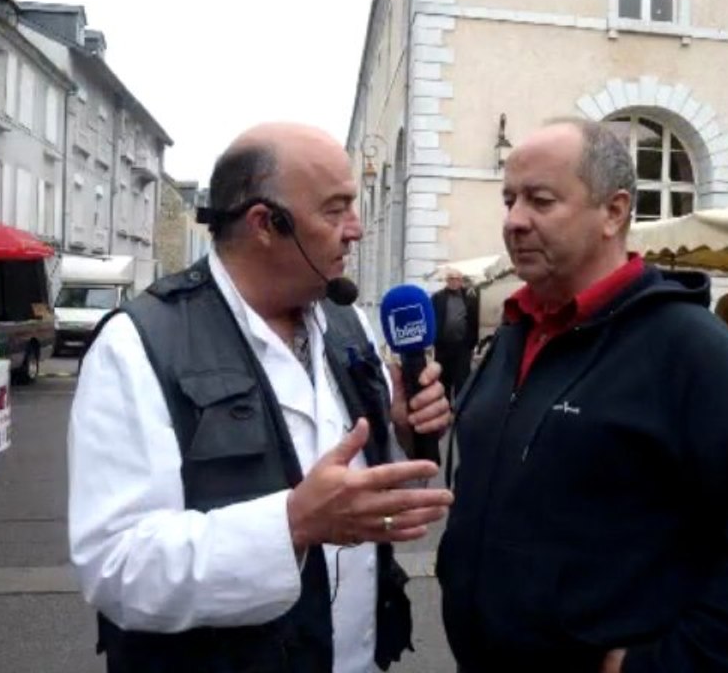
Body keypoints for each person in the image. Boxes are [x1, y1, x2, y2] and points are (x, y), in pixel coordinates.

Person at [437, 119, 728, 673]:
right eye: (509, 199)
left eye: (540, 201)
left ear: (614, 212)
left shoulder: (689, 347)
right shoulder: (516, 332)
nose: (514, 221)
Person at [68, 122, 454, 673]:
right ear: (266, 224)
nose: (357, 229)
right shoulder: (138, 344)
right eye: (335, 209)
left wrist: (402, 432)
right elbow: (116, 567)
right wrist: (293, 523)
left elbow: (367, 494)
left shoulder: (351, 326)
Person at [431, 268, 480, 400]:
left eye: (457, 279)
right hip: (443, 346)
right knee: (443, 380)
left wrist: (472, 342)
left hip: (462, 346)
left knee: (462, 380)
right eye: (451, 279)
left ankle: (459, 410)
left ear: (461, 281)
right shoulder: (437, 297)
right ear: (447, 280)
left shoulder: (469, 297)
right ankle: (444, 407)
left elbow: (474, 320)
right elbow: (432, 318)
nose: (454, 282)